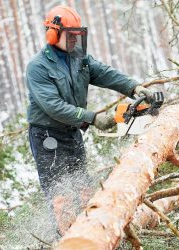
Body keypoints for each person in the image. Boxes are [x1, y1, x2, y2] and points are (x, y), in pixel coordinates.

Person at [25, 5, 153, 236]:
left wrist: (133, 87)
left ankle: (91, 235)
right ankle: (65, 240)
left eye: (78, 34)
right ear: (53, 34)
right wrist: (92, 118)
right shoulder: (38, 67)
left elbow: (104, 73)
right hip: (47, 136)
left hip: (72, 132)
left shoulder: (78, 57)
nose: (76, 39)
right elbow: (53, 106)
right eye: (71, 35)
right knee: (61, 197)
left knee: (83, 190)